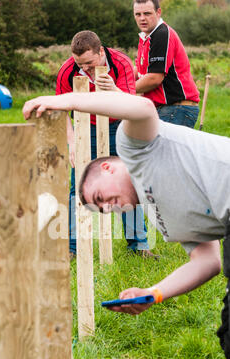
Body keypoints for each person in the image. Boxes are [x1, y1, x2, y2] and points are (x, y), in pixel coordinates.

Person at [23, 90, 230, 359]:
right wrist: (155, 293)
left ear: (109, 167)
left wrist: (66, 101)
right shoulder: (163, 221)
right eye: (102, 211)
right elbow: (208, 261)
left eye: (100, 198)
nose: (108, 208)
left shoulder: (135, 149)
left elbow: (142, 107)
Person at [55, 30, 156, 259]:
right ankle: (72, 247)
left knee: (128, 184)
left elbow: (132, 105)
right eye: (80, 64)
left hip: (119, 124)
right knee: (78, 185)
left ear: (101, 52)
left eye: (90, 63)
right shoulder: (67, 70)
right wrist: (71, 143)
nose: (86, 69)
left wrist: (113, 89)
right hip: (85, 127)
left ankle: (138, 245)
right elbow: (61, 111)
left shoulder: (121, 63)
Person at [133, 0, 200, 128]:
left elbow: (154, 78)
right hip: (168, 108)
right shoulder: (145, 37)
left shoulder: (161, 34)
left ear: (158, 12)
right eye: (138, 14)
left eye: (147, 13)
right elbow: (140, 70)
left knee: (161, 148)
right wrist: (118, 80)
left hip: (177, 108)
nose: (142, 18)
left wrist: (124, 90)